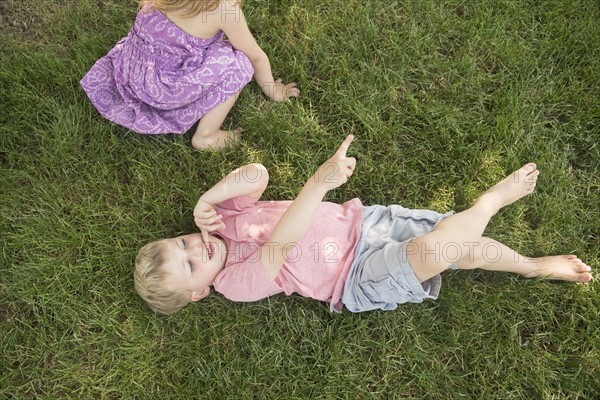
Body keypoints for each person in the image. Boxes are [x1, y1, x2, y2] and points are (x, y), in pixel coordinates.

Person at [134, 135, 593, 315]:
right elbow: (279, 244)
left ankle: (530, 265)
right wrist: (319, 182)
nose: (199, 248)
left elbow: (257, 174)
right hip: (354, 275)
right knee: (439, 250)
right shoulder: (234, 282)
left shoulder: (223, 219)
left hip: (365, 225)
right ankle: (491, 200)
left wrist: (208, 198)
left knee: (463, 247)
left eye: (183, 242)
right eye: (192, 266)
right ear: (199, 292)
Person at [81, 0, 299, 150]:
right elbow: (255, 57)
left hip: (132, 73)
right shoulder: (224, 9)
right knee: (240, 63)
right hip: (164, 89)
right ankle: (207, 135)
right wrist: (273, 90)